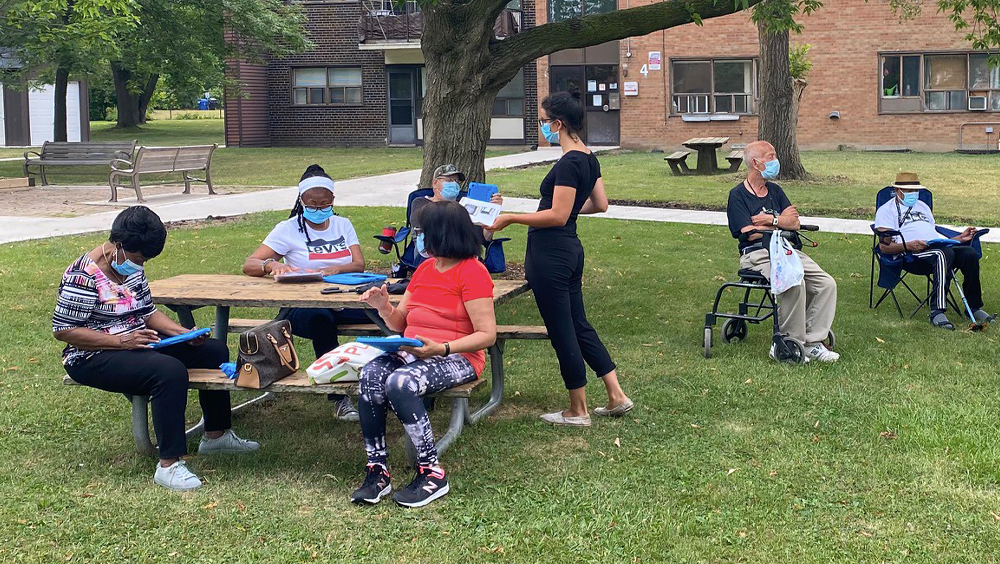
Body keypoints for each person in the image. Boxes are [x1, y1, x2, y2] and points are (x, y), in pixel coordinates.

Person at [54, 206, 259, 492]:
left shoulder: (130, 266)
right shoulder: (83, 275)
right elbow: (64, 331)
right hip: (91, 356)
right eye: (139, 258)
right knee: (168, 371)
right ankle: (169, 465)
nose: (142, 264)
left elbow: (147, 312)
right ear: (119, 246)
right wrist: (121, 341)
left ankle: (216, 435)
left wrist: (183, 333)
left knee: (214, 351)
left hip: (136, 344)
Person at [487, 89, 632, 427]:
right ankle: (616, 394)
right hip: (570, 249)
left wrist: (511, 217)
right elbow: (599, 204)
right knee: (578, 322)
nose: (542, 127)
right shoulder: (589, 157)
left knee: (562, 328)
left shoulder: (569, 162)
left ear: (559, 123)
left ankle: (577, 409)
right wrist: (562, 209)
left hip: (551, 253)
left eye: (543, 121)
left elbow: (556, 216)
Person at [353, 201, 497, 507]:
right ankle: (377, 470)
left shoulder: (473, 272)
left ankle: (431, 472)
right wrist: (383, 306)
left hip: (457, 356)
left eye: (422, 232)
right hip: (417, 350)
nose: (418, 237)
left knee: (401, 383)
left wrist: (442, 348)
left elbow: (487, 334)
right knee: (371, 374)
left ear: (440, 234)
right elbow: (400, 322)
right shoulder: (424, 270)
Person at [242, 164, 366, 421]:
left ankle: (390, 385)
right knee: (321, 320)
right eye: (312, 204)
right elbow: (249, 264)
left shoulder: (343, 224)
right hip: (301, 307)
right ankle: (338, 397)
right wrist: (271, 265)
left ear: (333, 200)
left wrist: (335, 269)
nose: (318, 210)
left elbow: (358, 264)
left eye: (324, 204)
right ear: (302, 201)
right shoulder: (287, 229)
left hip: (341, 298)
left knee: (388, 315)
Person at [726, 140, 839, 362]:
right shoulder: (738, 195)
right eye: (771, 156)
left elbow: (794, 223)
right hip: (757, 254)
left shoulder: (775, 191)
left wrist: (770, 220)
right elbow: (750, 233)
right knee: (793, 282)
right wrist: (780, 224)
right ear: (756, 163)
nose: (776, 160)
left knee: (826, 284)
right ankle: (788, 341)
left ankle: (813, 342)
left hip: (786, 249)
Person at [874, 171, 992, 330]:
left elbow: (932, 234)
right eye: (909, 192)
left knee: (968, 254)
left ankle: (974, 307)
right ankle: (937, 311)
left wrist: (959, 239)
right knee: (943, 254)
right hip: (911, 254)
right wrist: (909, 246)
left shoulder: (923, 206)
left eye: (916, 191)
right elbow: (884, 247)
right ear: (897, 191)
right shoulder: (886, 210)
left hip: (936, 246)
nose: (914, 195)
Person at [411, 163, 503, 243]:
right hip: (430, 255)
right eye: (449, 180)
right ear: (435, 183)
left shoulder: (465, 206)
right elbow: (427, 229)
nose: (454, 184)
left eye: (456, 181)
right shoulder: (420, 202)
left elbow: (483, 238)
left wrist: (493, 211)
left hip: (464, 256)